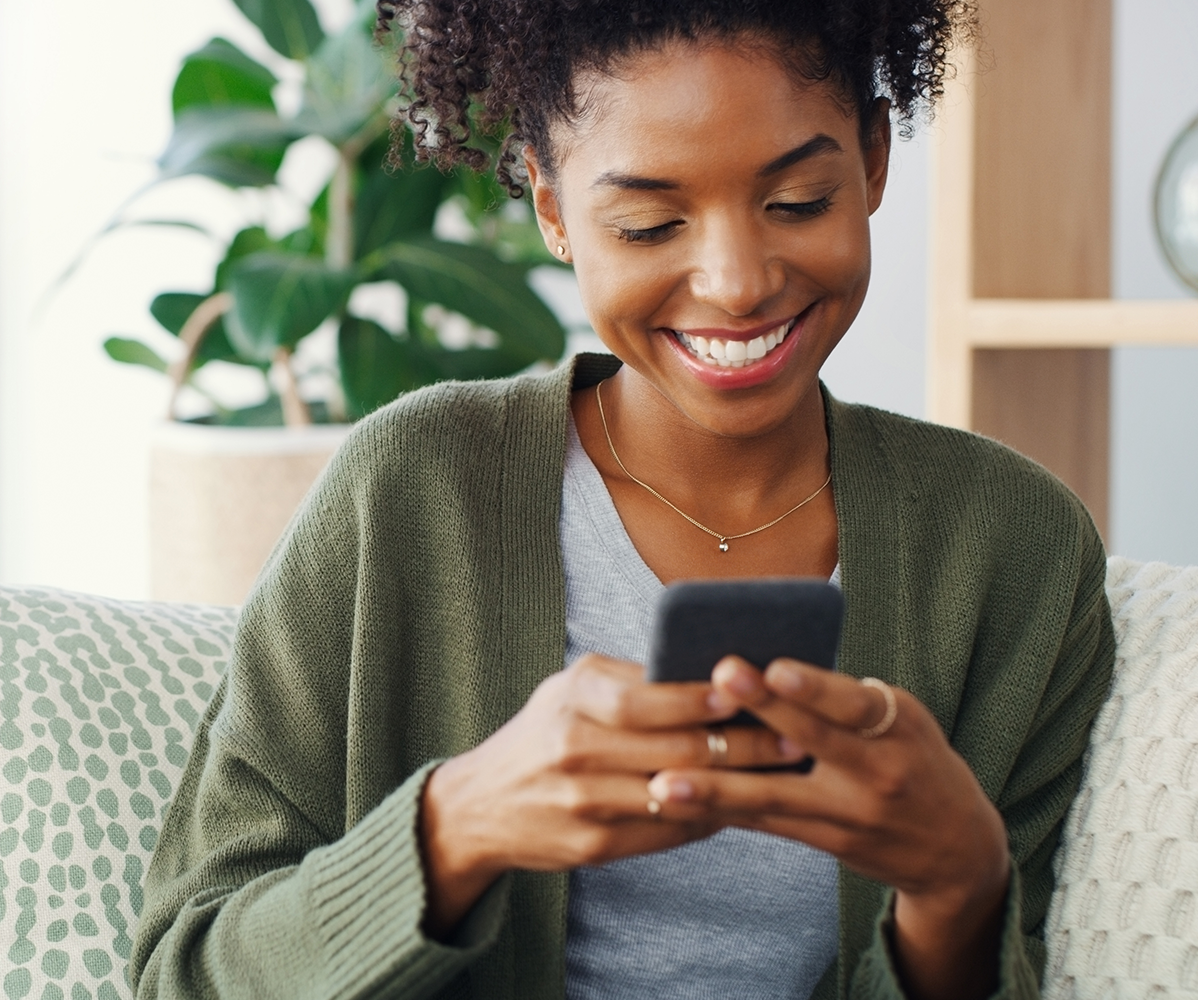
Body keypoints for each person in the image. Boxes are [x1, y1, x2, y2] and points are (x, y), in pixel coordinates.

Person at [129, 2, 1115, 997]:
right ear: (552, 210)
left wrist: (956, 883)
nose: (735, 283)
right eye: (648, 223)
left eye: (797, 201)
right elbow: (186, 969)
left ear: (870, 161)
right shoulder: (413, 487)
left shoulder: (1011, 547)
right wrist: (455, 823)